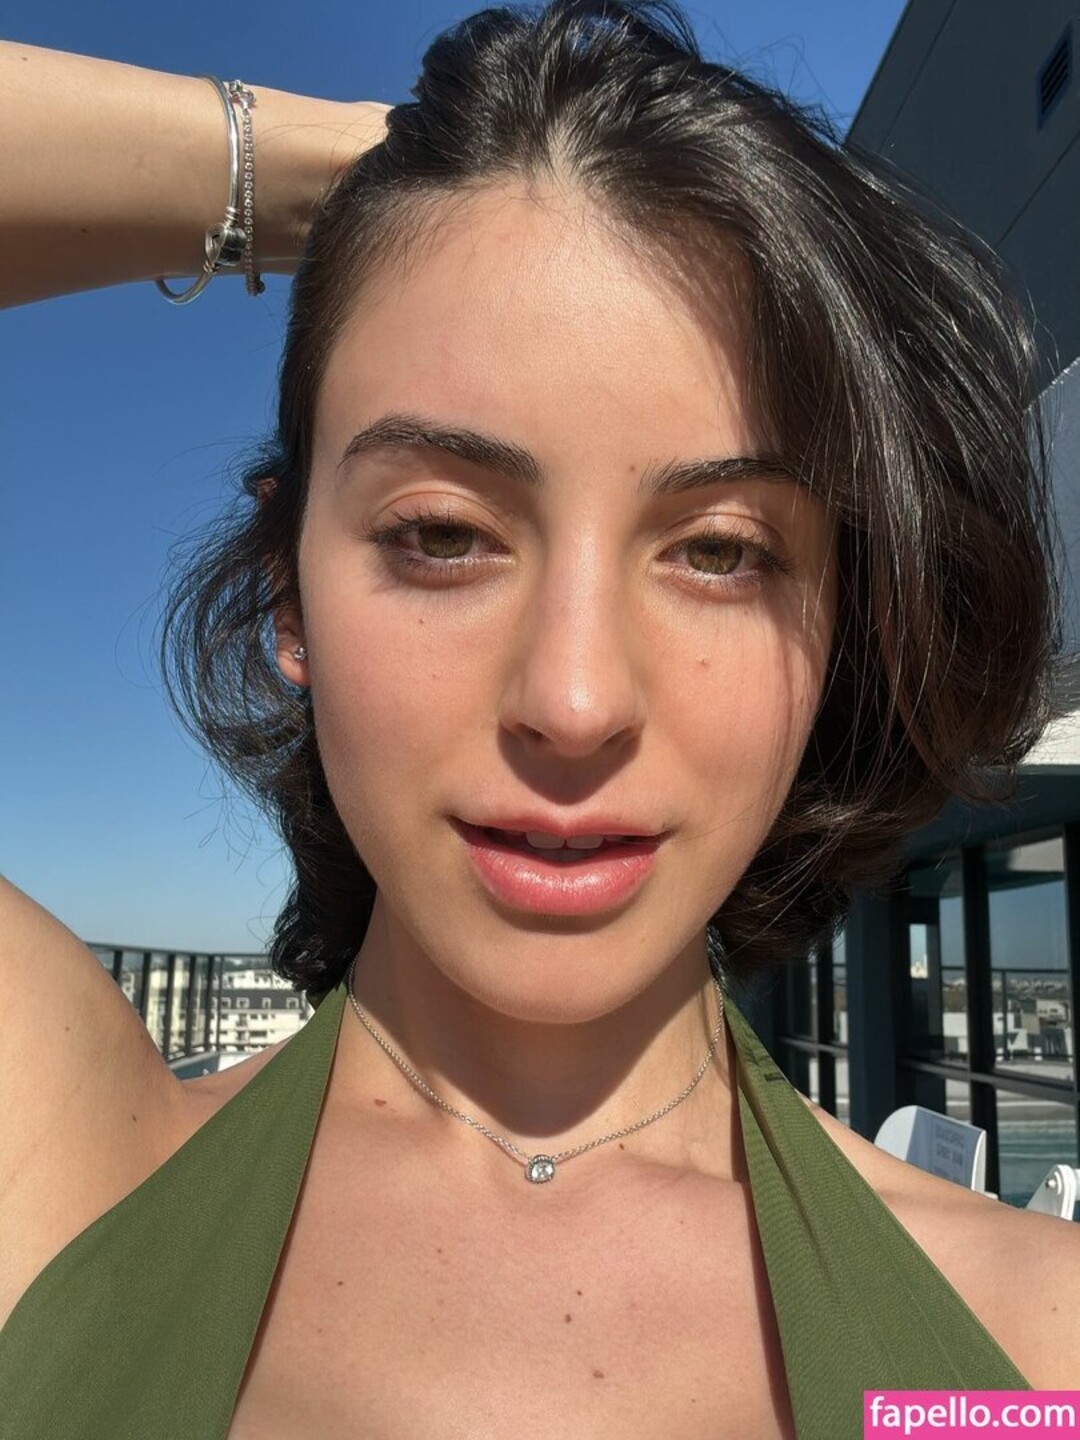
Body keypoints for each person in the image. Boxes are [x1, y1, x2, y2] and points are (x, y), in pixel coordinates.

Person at [2, 2, 1079, 1436]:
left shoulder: (1033, 1356)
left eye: (721, 550)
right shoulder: (59, 1176)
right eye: (444, 534)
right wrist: (366, 183)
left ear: (841, 631)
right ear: (288, 599)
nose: (574, 703)